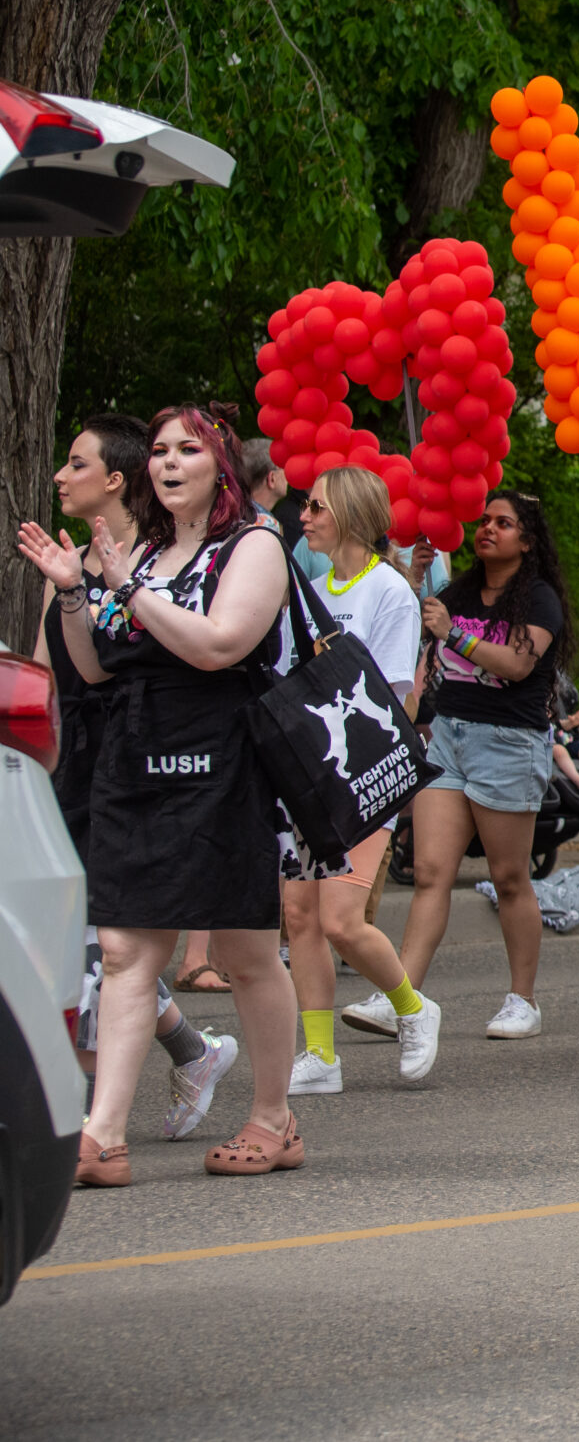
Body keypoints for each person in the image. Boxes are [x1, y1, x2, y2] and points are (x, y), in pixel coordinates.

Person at [18, 404, 304, 1180]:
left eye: (188, 449)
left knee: (245, 952)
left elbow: (218, 646)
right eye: (160, 451)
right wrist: (76, 593)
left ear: (220, 466)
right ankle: (104, 1133)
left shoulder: (253, 544)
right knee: (122, 950)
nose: (169, 462)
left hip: (218, 760)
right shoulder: (141, 550)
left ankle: (275, 1117)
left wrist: (122, 587)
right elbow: (101, 663)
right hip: (133, 757)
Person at [40, 416, 239, 1136]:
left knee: (111, 940)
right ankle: (185, 1050)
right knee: (97, 938)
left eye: (76, 463)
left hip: (140, 752)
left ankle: (98, 1106)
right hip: (75, 762)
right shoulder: (69, 563)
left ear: (115, 480)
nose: (60, 476)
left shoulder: (160, 560)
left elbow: (205, 652)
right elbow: (51, 676)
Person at [350, 489, 566, 1043]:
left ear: (528, 538)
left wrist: (455, 632)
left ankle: (523, 1000)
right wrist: (415, 575)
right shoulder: (459, 591)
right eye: (485, 520)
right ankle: (403, 996)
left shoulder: (539, 598)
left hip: (509, 743)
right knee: (430, 874)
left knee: (509, 877)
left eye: (504, 522)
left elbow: (517, 664)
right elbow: (409, 624)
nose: (488, 528)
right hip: (448, 738)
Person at [279, 468, 434, 1093]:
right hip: (307, 772)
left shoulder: (389, 591)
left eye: (316, 507)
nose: (305, 518)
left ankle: (414, 1009)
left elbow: (399, 698)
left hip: (365, 771)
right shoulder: (310, 589)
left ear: (348, 513)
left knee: (342, 918)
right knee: (300, 917)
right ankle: (320, 1055)